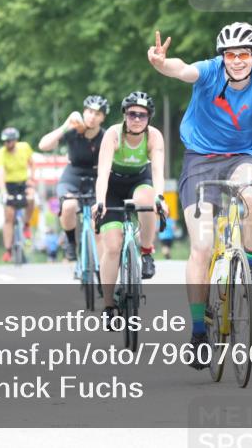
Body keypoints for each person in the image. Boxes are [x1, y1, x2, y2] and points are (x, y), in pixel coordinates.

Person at [148, 22, 252, 369]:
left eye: (244, 55)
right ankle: (197, 332)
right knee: (203, 245)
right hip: (200, 160)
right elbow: (183, 70)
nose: (237, 61)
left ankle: (250, 266)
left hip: (241, 159)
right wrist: (163, 65)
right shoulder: (210, 72)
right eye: (230, 54)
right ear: (222, 56)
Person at [92, 91, 168, 328]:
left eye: (142, 115)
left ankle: (146, 252)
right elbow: (102, 172)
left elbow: (157, 172)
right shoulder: (113, 135)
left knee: (147, 198)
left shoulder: (154, 136)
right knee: (112, 246)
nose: (137, 119)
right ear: (125, 115)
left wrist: (160, 198)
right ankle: (108, 304)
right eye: (132, 114)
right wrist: (100, 201)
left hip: (139, 180)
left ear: (149, 118)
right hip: (113, 185)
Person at [39, 95, 109, 261]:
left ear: (103, 117)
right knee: (69, 205)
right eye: (90, 112)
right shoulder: (72, 132)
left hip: (96, 177)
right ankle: (70, 242)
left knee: (97, 226)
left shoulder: (106, 137)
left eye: (97, 114)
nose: (92, 116)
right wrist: (65, 125)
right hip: (72, 176)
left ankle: (101, 274)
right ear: (84, 112)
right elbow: (44, 145)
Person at [0, 127, 36, 263]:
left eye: (10, 141)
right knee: (9, 216)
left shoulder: (24, 147)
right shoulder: (0, 154)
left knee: (31, 198)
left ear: (15, 140)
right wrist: (3, 192)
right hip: (9, 185)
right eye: (5, 142)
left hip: (23, 182)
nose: (7, 144)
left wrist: (31, 179)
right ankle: (8, 250)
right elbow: (0, 174)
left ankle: (26, 224)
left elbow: (32, 164)